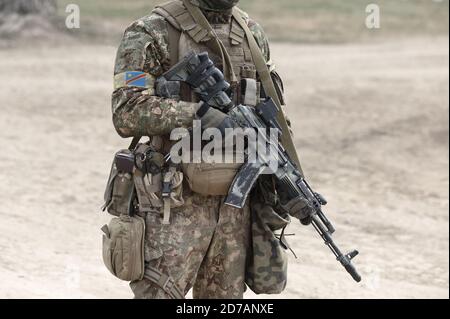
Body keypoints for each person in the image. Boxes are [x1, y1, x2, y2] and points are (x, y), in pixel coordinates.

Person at [110, 0, 310, 299]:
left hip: (235, 208)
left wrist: (287, 182)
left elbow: (273, 115)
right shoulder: (152, 31)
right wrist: (202, 116)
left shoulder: (251, 34)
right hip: (172, 202)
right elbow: (126, 112)